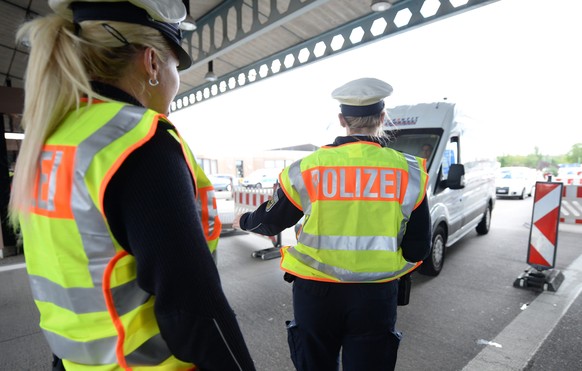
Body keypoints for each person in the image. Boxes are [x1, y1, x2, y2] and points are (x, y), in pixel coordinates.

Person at [9, 0, 255, 370]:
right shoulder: (138, 143)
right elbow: (192, 307)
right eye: (175, 65)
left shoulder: (51, 141)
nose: (176, 79)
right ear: (152, 63)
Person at [235, 77, 432, 371]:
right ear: (382, 117)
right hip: (376, 296)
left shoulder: (308, 168)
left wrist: (244, 220)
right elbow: (418, 249)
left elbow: (270, 221)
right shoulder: (410, 171)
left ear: (342, 120)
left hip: (316, 294)